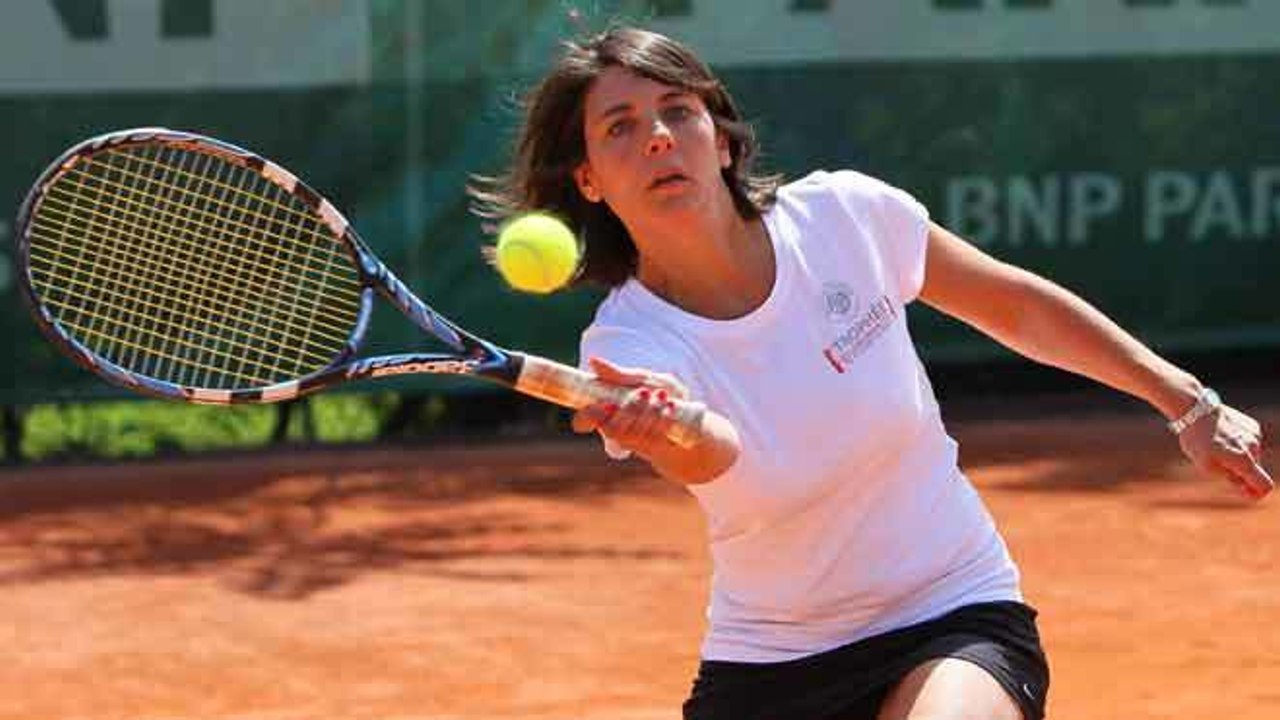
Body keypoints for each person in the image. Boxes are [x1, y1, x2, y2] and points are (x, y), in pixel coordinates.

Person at [470, 26, 1272, 720]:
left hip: (953, 609)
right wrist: (663, 419)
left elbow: (1016, 307)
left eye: (677, 112)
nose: (656, 137)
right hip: (770, 666)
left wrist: (1186, 401)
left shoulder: (846, 218)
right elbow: (712, 452)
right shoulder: (631, 340)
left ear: (720, 135)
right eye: (620, 127)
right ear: (588, 181)